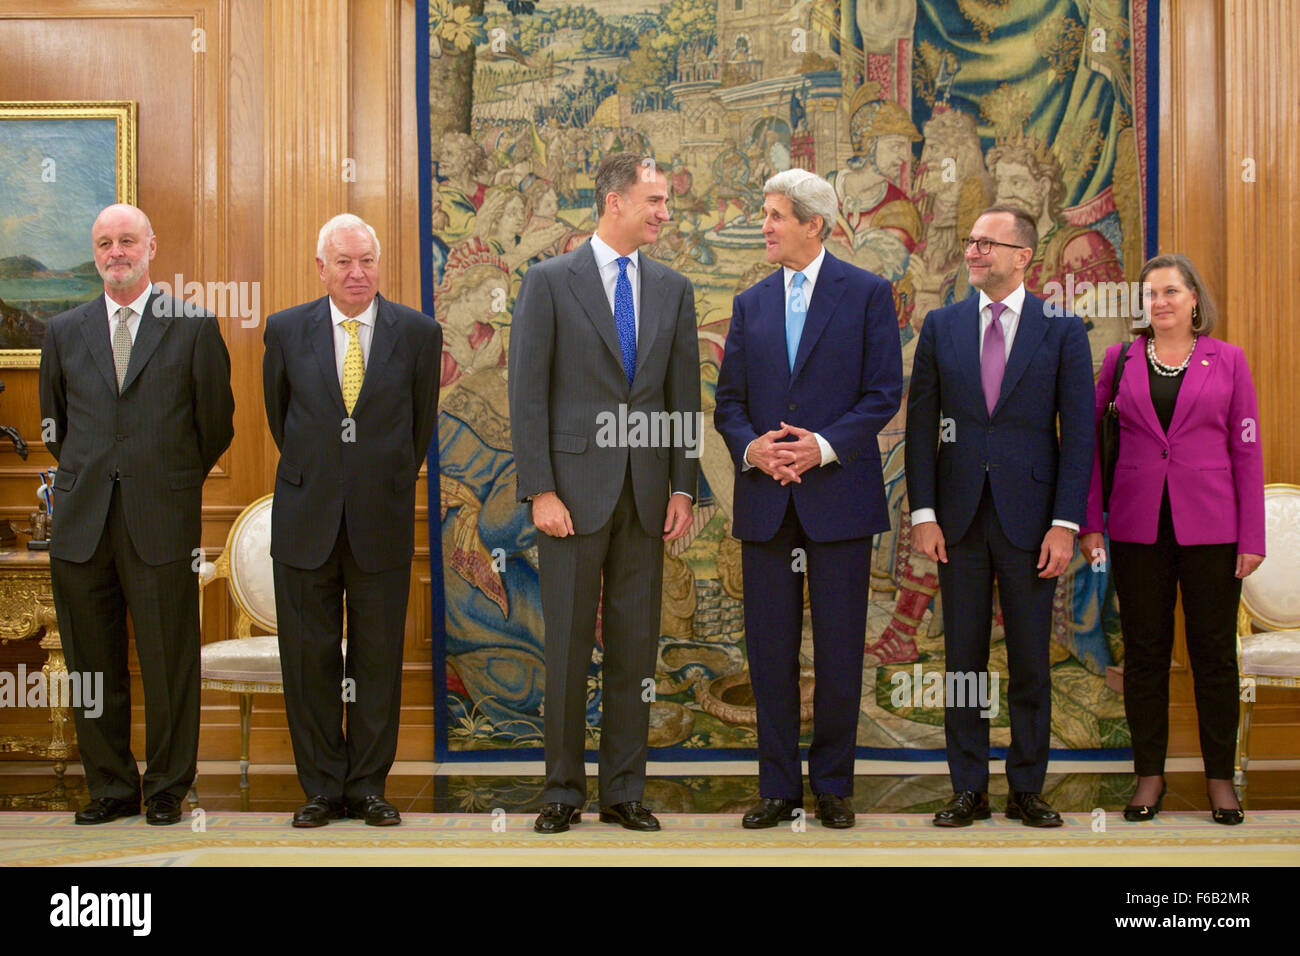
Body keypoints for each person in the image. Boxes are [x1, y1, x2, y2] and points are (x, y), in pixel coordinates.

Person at [508, 153, 699, 834]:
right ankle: (562, 791)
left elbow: (683, 397)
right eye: (654, 200)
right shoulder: (549, 283)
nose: (664, 213)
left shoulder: (674, 290)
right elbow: (526, 394)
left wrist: (685, 488)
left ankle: (624, 791)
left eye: (666, 202)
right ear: (614, 202)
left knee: (633, 648)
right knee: (565, 650)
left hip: (647, 499)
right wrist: (540, 491)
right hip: (570, 500)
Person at [714, 169, 903, 829]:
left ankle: (833, 787)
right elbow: (729, 404)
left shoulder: (870, 294)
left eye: (773, 215)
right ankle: (777, 788)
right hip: (766, 502)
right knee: (768, 652)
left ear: (813, 224)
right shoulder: (751, 303)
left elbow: (883, 393)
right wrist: (754, 449)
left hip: (839, 499)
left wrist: (819, 447)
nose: (763, 225)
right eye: (764, 213)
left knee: (840, 651)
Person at [39, 203, 235, 825]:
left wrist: (169, 480)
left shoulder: (193, 325)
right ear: (94, 253)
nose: (116, 252)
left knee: (168, 661)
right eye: (104, 242)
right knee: (92, 665)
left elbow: (216, 426)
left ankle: (170, 786)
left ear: (152, 245)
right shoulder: (64, 331)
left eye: (127, 240)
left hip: (161, 520)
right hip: (81, 524)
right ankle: (111, 788)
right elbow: (55, 428)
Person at [905, 205, 1093, 827]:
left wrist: (1065, 523)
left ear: (1023, 257)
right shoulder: (942, 325)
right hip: (956, 522)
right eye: (971, 241)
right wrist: (924, 513)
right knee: (962, 660)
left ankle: (1026, 789)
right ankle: (968, 789)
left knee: (1031, 661)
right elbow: (923, 426)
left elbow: (1081, 436)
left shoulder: (1062, 329)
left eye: (989, 243)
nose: (974, 251)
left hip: (1034, 524)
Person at [262, 214, 441, 827]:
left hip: (381, 521)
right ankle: (320, 787)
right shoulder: (285, 330)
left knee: (376, 660)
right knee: (309, 662)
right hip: (305, 520)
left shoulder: (418, 334)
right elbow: (279, 416)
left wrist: (377, 479)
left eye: (366, 260)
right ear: (322, 268)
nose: (357, 272)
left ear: (378, 263)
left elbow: (418, 429)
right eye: (343, 262)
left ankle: (367, 786)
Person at [1079, 253, 1264, 825]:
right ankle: (1149, 778)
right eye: (1150, 294)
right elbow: (1090, 447)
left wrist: (1251, 536)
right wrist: (1090, 524)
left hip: (1213, 528)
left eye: (1170, 292)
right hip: (1138, 528)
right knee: (1146, 656)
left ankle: (1218, 782)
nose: (1159, 303)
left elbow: (1247, 451)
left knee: (1213, 658)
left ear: (1193, 300)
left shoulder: (1228, 361)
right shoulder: (1120, 358)